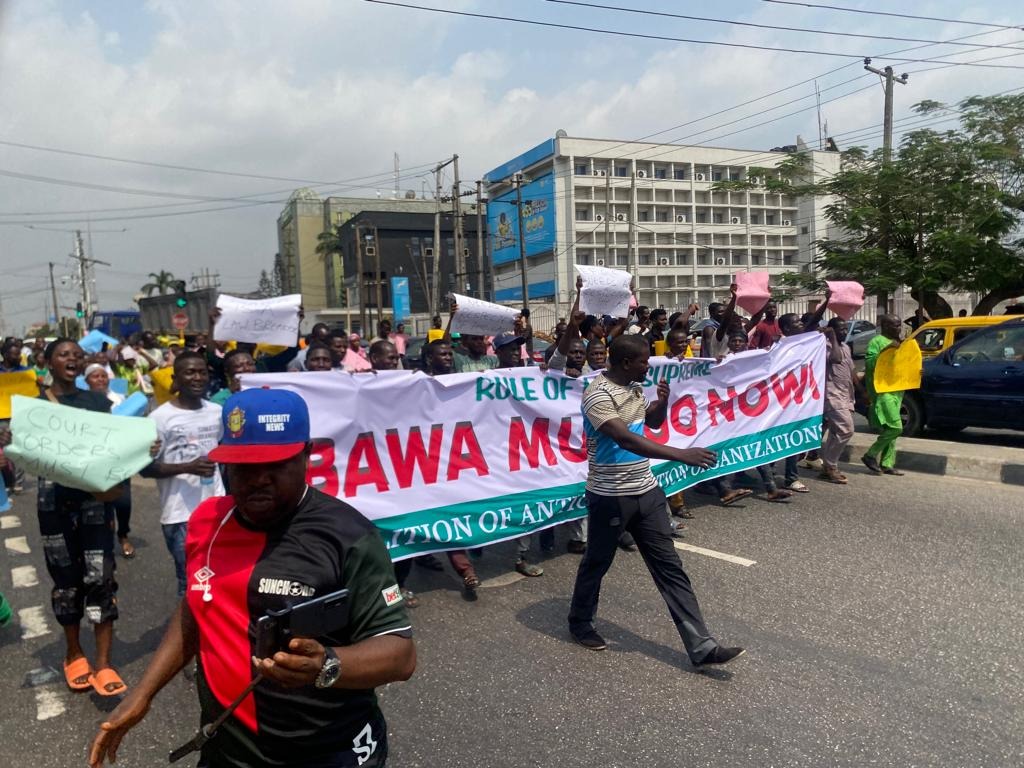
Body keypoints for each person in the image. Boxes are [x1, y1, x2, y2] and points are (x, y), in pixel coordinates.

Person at [89, 388, 415, 768]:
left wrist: (326, 664)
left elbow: (400, 655)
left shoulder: (349, 536)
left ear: (307, 455)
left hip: (329, 752)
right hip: (228, 751)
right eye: (242, 465)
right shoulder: (207, 521)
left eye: (274, 464)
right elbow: (198, 606)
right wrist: (143, 693)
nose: (257, 480)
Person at [567, 334, 745, 666]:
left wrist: (661, 403)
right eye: (643, 361)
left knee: (670, 567)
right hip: (610, 497)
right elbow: (625, 439)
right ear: (624, 363)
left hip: (646, 492)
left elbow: (649, 423)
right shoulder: (598, 395)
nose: (648, 366)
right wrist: (681, 454)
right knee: (597, 563)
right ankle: (579, 623)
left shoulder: (633, 388)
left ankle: (702, 646)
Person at [0, 338, 158, 696]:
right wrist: (9, 442)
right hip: (53, 504)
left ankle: (103, 664)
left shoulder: (97, 403)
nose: (71, 359)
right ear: (48, 362)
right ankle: (74, 654)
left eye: (76, 354)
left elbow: (113, 447)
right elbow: (20, 451)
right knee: (66, 582)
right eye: (62, 354)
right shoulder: (35, 408)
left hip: (94, 503)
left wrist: (142, 448)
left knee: (100, 579)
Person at [142, 351, 226, 597]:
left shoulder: (217, 412)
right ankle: (188, 634)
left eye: (202, 372)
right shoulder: (159, 418)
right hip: (180, 516)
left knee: (219, 579)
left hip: (216, 509)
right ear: (176, 378)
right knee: (191, 584)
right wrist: (187, 467)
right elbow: (146, 469)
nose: (197, 377)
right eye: (190, 372)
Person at [84, 364, 135, 557]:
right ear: (87, 380)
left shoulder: (120, 400)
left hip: (120, 457)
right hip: (94, 458)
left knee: (123, 501)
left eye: (103, 376)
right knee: (99, 502)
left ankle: (123, 535)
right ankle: (104, 540)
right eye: (95, 376)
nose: (100, 379)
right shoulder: (82, 400)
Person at [820, 317, 865, 484]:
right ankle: (831, 466)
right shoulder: (825, 346)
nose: (844, 332)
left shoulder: (845, 346)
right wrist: (831, 338)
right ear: (831, 330)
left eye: (846, 329)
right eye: (840, 329)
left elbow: (851, 370)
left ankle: (827, 466)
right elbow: (836, 359)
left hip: (846, 395)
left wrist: (861, 391)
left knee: (835, 432)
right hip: (832, 395)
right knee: (846, 430)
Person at [862, 314, 906, 476]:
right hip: (882, 391)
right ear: (885, 327)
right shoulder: (876, 342)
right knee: (896, 427)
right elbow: (870, 364)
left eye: (899, 325)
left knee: (890, 429)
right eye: (895, 325)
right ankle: (870, 455)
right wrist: (887, 350)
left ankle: (887, 463)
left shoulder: (901, 343)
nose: (898, 328)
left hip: (897, 389)